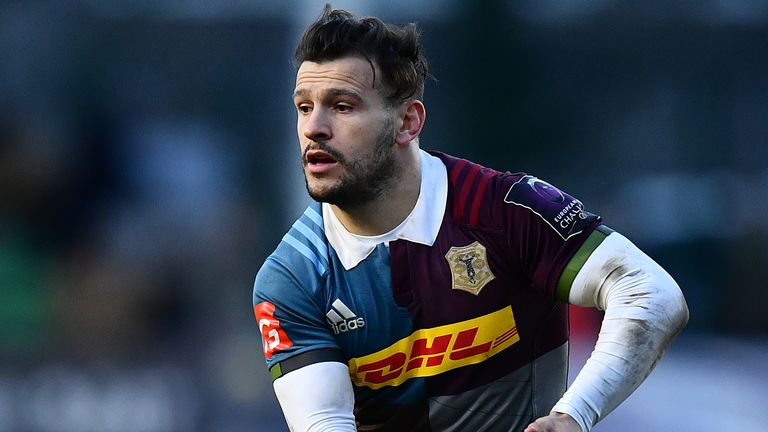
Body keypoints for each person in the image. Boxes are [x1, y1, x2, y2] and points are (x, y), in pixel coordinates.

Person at [252, 5, 689, 432]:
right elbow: (323, 422)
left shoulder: (507, 210)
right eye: (304, 107)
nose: (314, 128)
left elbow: (652, 294)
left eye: (342, 106)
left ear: (407, 122)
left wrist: (574, 415)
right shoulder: (292, 278)